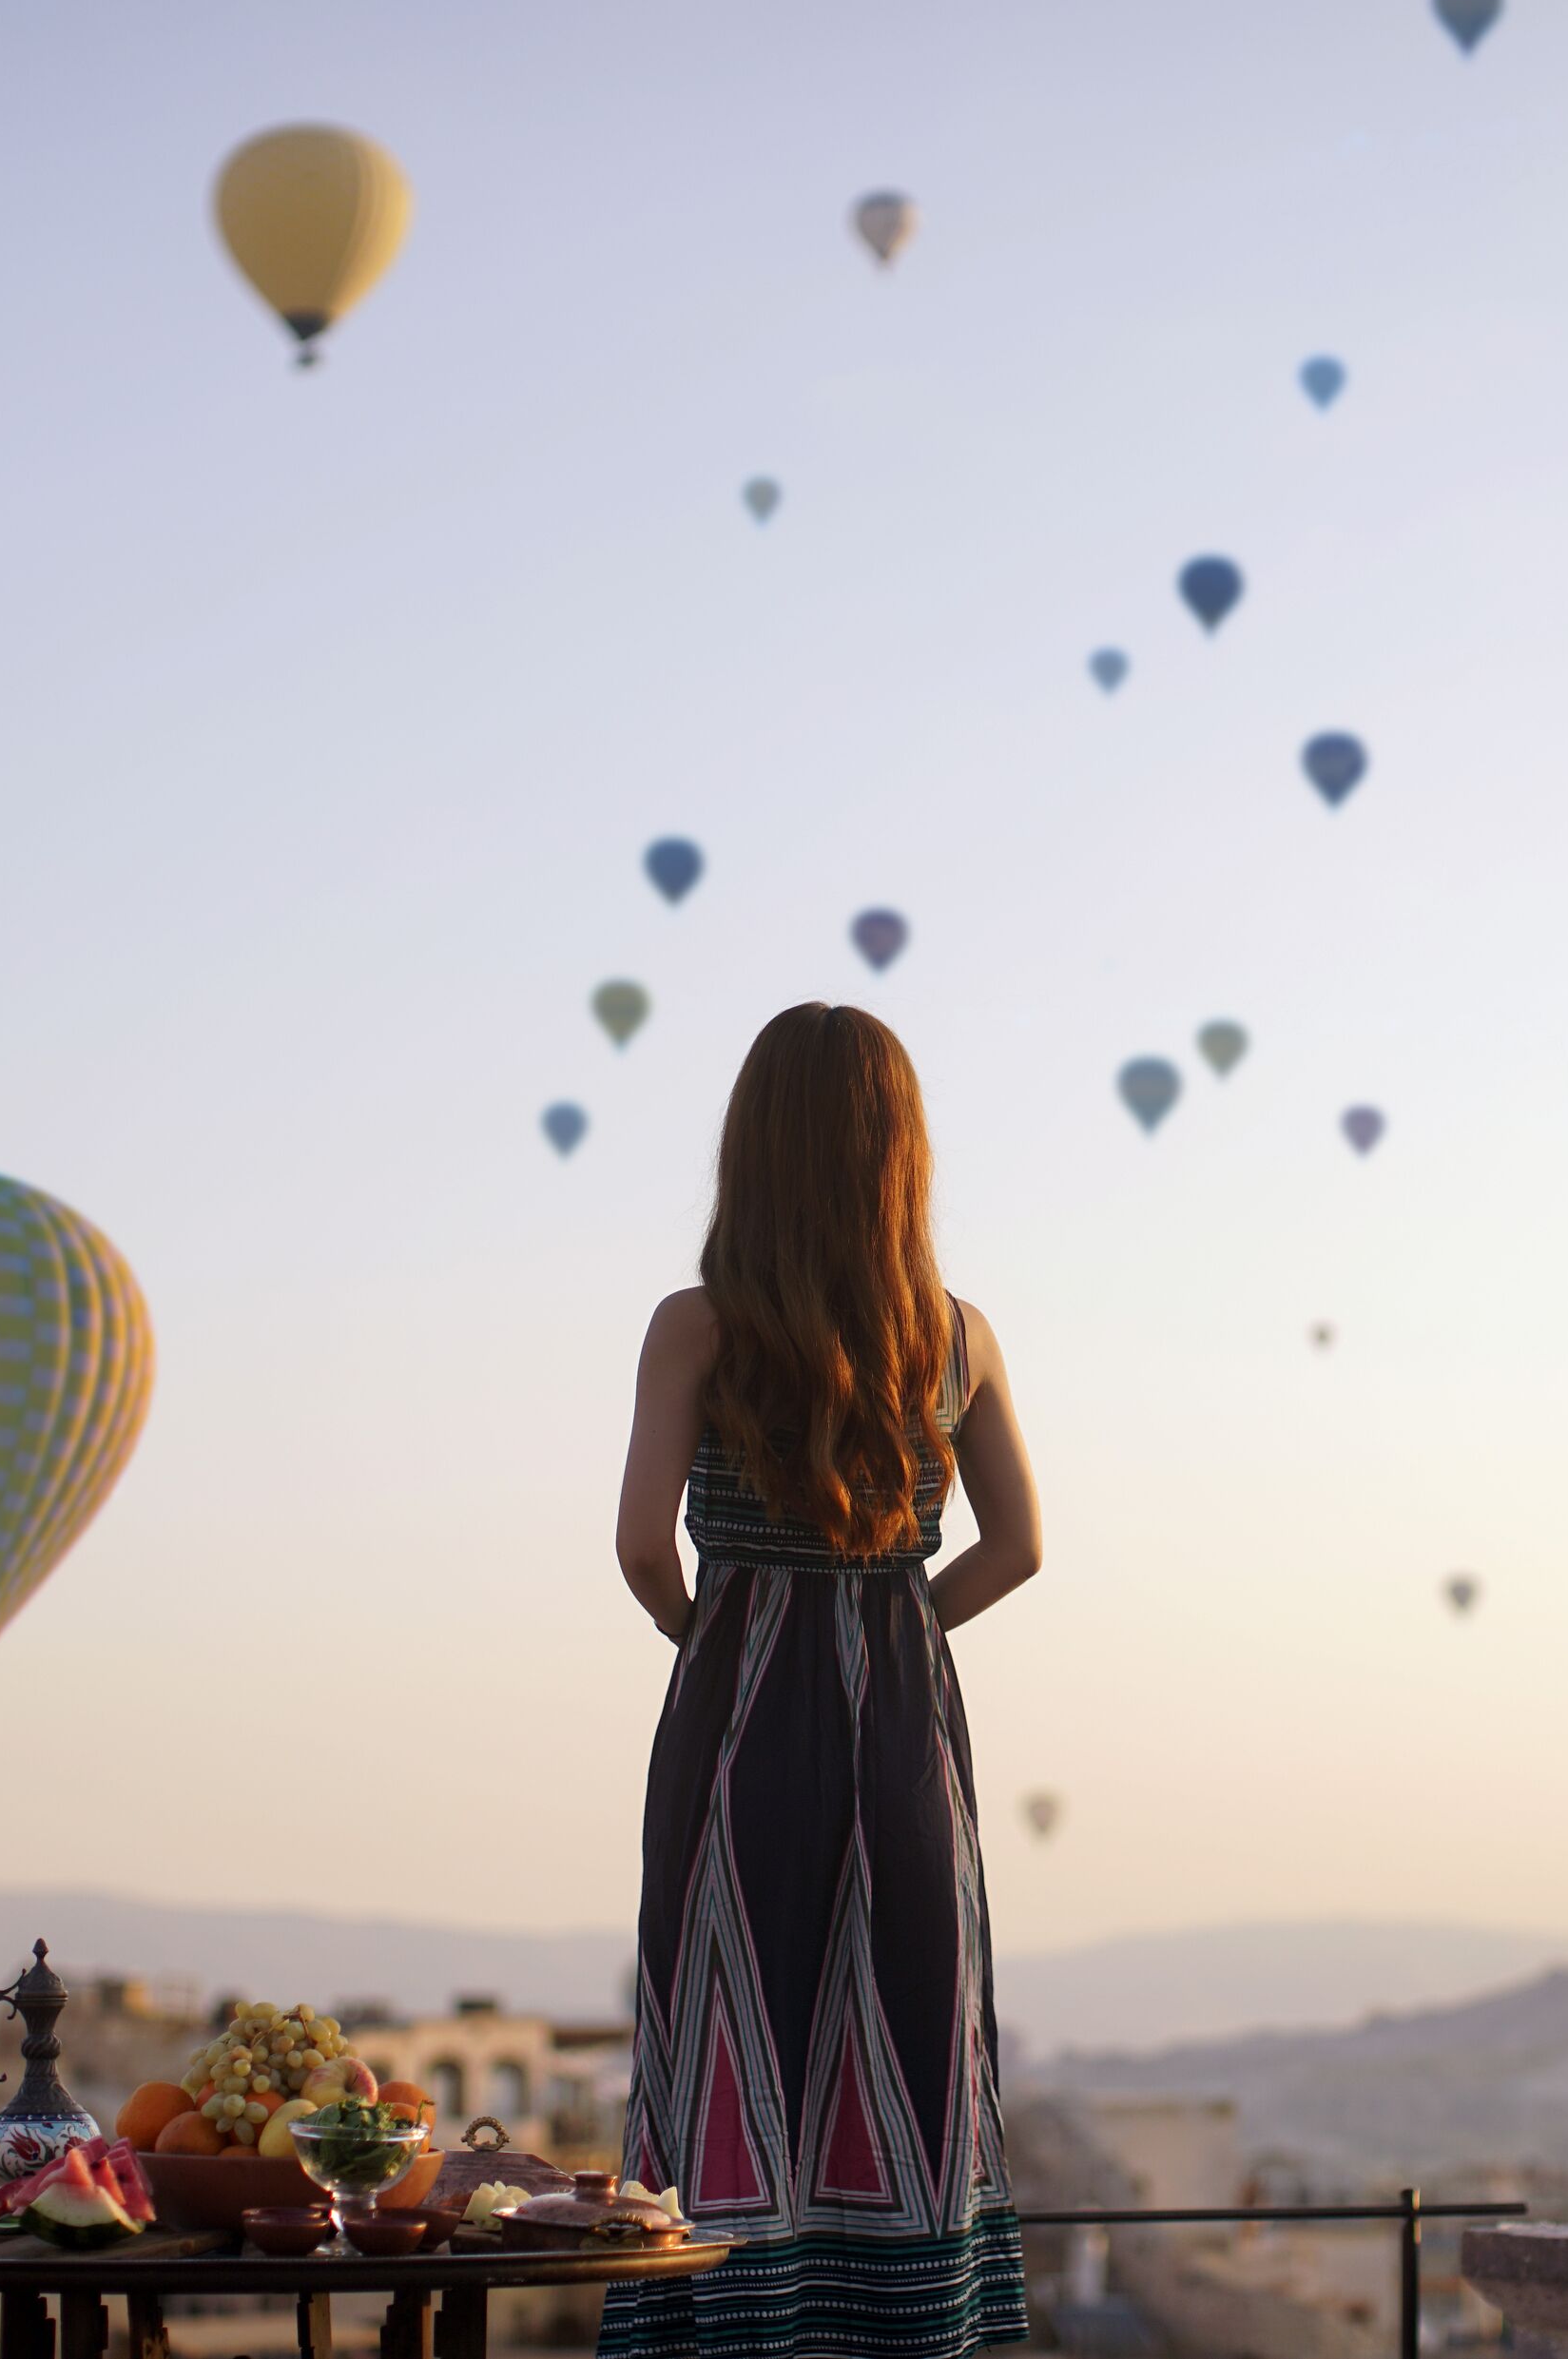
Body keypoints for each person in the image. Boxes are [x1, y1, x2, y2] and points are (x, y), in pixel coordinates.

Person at [600, 1003, 1045, 2359]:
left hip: (737, 1721)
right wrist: (897, 1624)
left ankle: (731, 2318)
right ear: (897, 1153)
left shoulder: (697, 1327)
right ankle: (905, 2322)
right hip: (902, 1722)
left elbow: (636, 1546)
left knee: (736, 2007)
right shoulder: (958, 1336)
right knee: (901, 2014)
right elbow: (1019, 1549)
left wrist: (731, 1642)